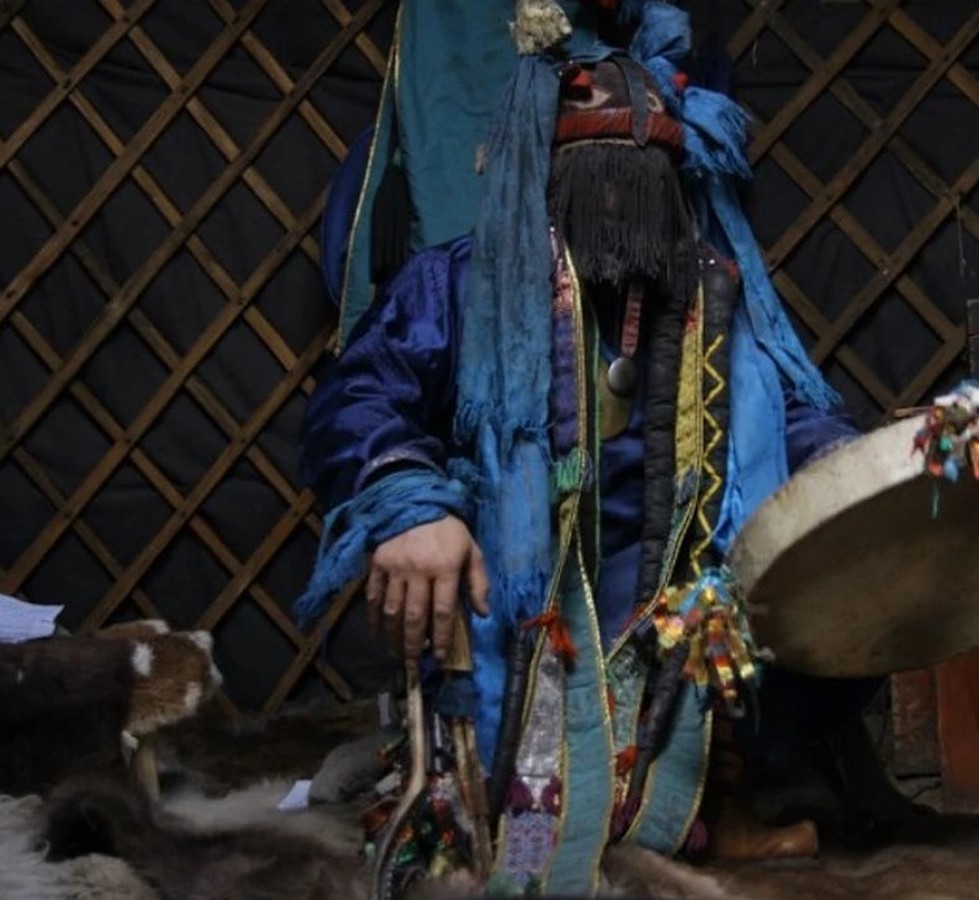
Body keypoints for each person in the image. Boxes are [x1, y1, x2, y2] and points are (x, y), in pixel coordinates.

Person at [296, 1, 905, 893]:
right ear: (544, 174)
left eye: (645, 179)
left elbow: (787, 416)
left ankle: (704, 811)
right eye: (598, 176)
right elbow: (357, 399)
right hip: (523, 594)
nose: (622, 203)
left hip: (678, 599)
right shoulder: (462, 282)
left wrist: (855, 476)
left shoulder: (710, 295)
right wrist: (410, 504)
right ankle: (505, 818)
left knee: (806, 575)